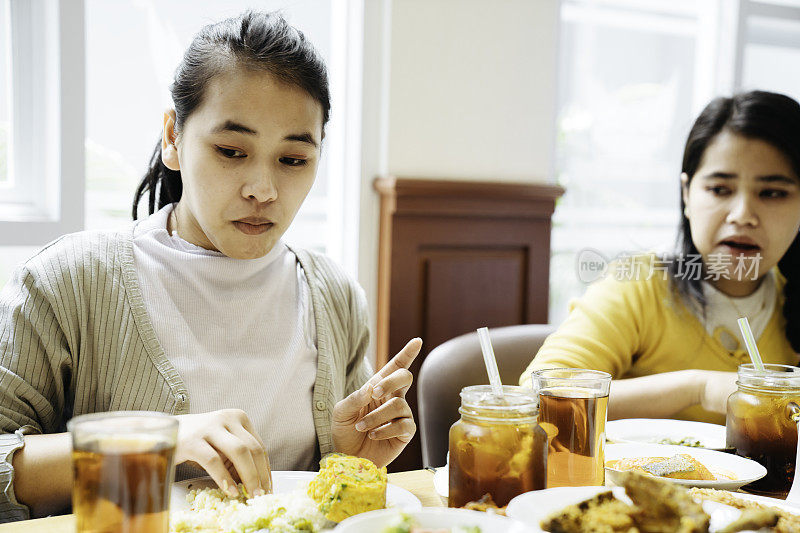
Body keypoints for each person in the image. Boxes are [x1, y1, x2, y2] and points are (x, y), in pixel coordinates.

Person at [0, 11, 421, 522]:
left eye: (293, 160)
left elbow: (301, 504)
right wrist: (156, 442)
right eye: (230, 150)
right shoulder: (67, 281)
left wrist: (347, 460)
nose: (263, 190)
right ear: (173, 138)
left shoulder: (333, 293)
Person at [521, 90, 800, 423]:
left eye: (772, 193)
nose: (742, 215)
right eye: (720, 189)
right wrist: (697, 388)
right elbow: (536, 397)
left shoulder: (789, 297)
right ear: (687, 193)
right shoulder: (639, 285)